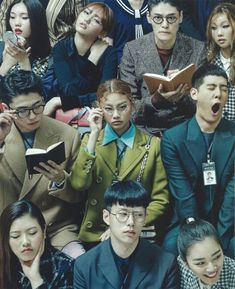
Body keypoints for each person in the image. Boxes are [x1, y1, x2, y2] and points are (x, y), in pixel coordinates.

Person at [70, 79, 169, 248]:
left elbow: (160, 200)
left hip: (136, 230)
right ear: (99, 109)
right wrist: (93, 134)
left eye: (122, 107)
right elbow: (79, 184)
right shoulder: (90, 141)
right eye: (108, 109)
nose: (115, 115)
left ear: (132, 105)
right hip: (96, 233)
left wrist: (129, 224)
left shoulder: (153, 145)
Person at [0, 69, 84, 258]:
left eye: (38, 106)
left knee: (82, 266)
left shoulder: (67, 134)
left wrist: (60, 180)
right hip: (7, 229)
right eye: (22, 111)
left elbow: (80, 194)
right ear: (6, 108)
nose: (32, 116)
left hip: (55, 227)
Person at [160, 63, 235, 258]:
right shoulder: (173, 138)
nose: (218, 94)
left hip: (229, 220)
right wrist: (200, 236)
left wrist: (221, 236)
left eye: (224, 89)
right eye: (211, 88)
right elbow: (182, 194)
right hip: (189, 220)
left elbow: (232, 195)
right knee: (170, 249)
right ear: (194, 94)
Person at [120, 0, 206, 136]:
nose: (165, 25)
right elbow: (126, 107)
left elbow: (204, 104)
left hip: (185, 129)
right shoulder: (132, 50)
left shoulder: (198, 49)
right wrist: (155, 101)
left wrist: (183, 95)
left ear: (181, 17)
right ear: (148, 17)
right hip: (145, 130)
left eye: (171, 18)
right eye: (158, 18)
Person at [74, 180, 179, 289]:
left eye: (138, 215)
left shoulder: (166, 263)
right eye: (123, 214)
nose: (131, 222)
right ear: (106, 217)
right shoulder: (85, 265)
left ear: (145, 218)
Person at [46, 2, 118, 115]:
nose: (87, 19)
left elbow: (106, 96)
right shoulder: (61, 48)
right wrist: (92, 60)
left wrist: (60, 101)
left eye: (96, 20)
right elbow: (69, 92)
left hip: (97, 114)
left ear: (103, 32)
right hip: (64, 114)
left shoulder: (109, 54)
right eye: (86, 12)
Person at [0, 200, 74, 289]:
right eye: (15, 236)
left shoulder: (66, 266)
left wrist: (36, 280)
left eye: (32, 233)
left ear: (44, 231)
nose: (25, 242)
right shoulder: (5, 264)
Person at [177, 219, 235, 289]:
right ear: (186, 264)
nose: (211, 268)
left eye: (217, 257)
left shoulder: (232, 273)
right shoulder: (180, 268)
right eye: (201, 263)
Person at [0, 0, 51, 78]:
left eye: (24, 17)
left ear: (37, 20)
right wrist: (6, 64)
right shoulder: (2, 49)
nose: (17, 23)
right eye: (12, 17)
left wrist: (23, 61)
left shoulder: (51, 58)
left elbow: (33, 90)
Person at [206, 2, 235, 121]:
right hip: (217, 129)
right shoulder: (208, 60)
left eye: (225, 26)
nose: (219, 33)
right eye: (214, 28)